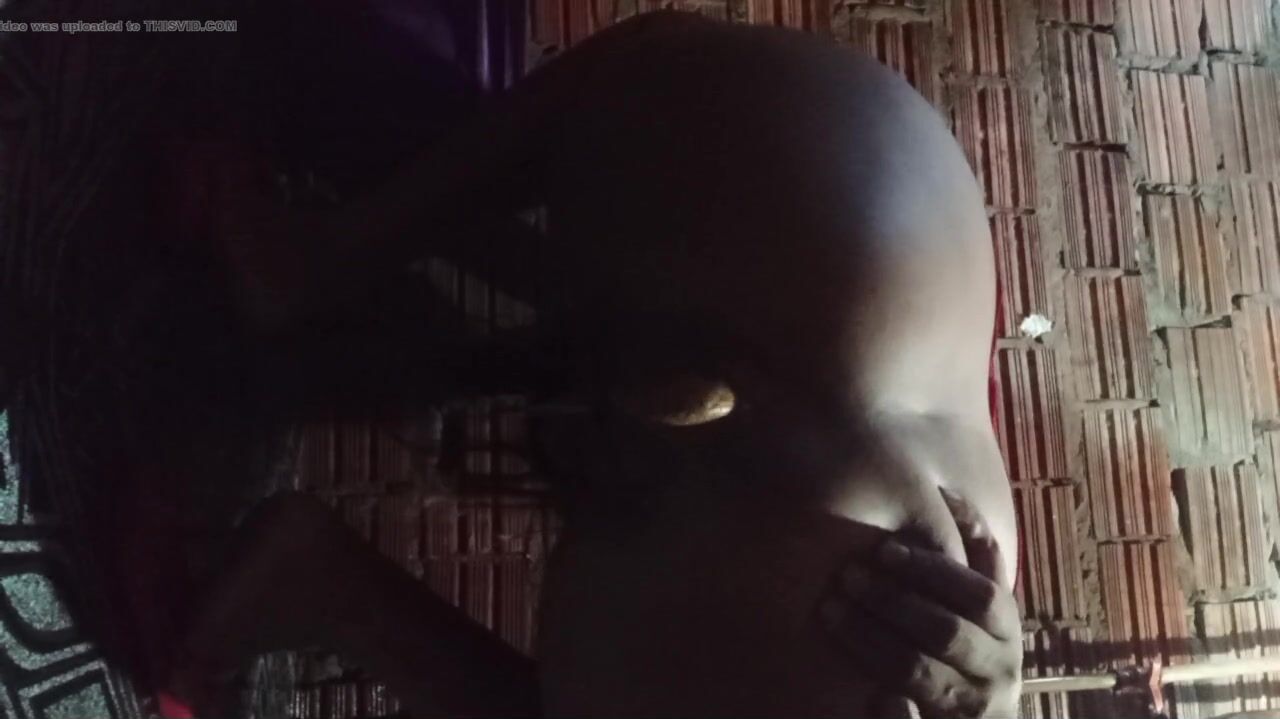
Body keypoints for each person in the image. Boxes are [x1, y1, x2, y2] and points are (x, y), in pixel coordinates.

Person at [174, 10, 1022, 718]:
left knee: (657, 119)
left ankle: (335, 255)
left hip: (825, 179)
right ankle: (321, 583)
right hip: (855, 622)